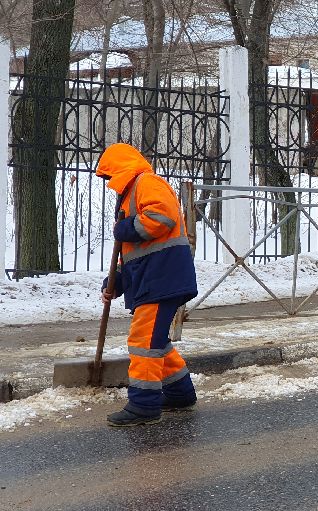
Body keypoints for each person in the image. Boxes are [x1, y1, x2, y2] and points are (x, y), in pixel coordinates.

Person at [97, 143, 199, 427]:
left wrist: (125, 227)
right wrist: (116, 282)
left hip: (162, 278)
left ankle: (144, 405)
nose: (109, 183)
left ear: (120, 168)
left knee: (143, 341)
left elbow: (160, 218)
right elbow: (135, 255)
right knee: (156, 342)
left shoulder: (147, 182)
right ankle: (180, 394)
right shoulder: (130, 195)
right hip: (153, 279)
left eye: (109, 175)